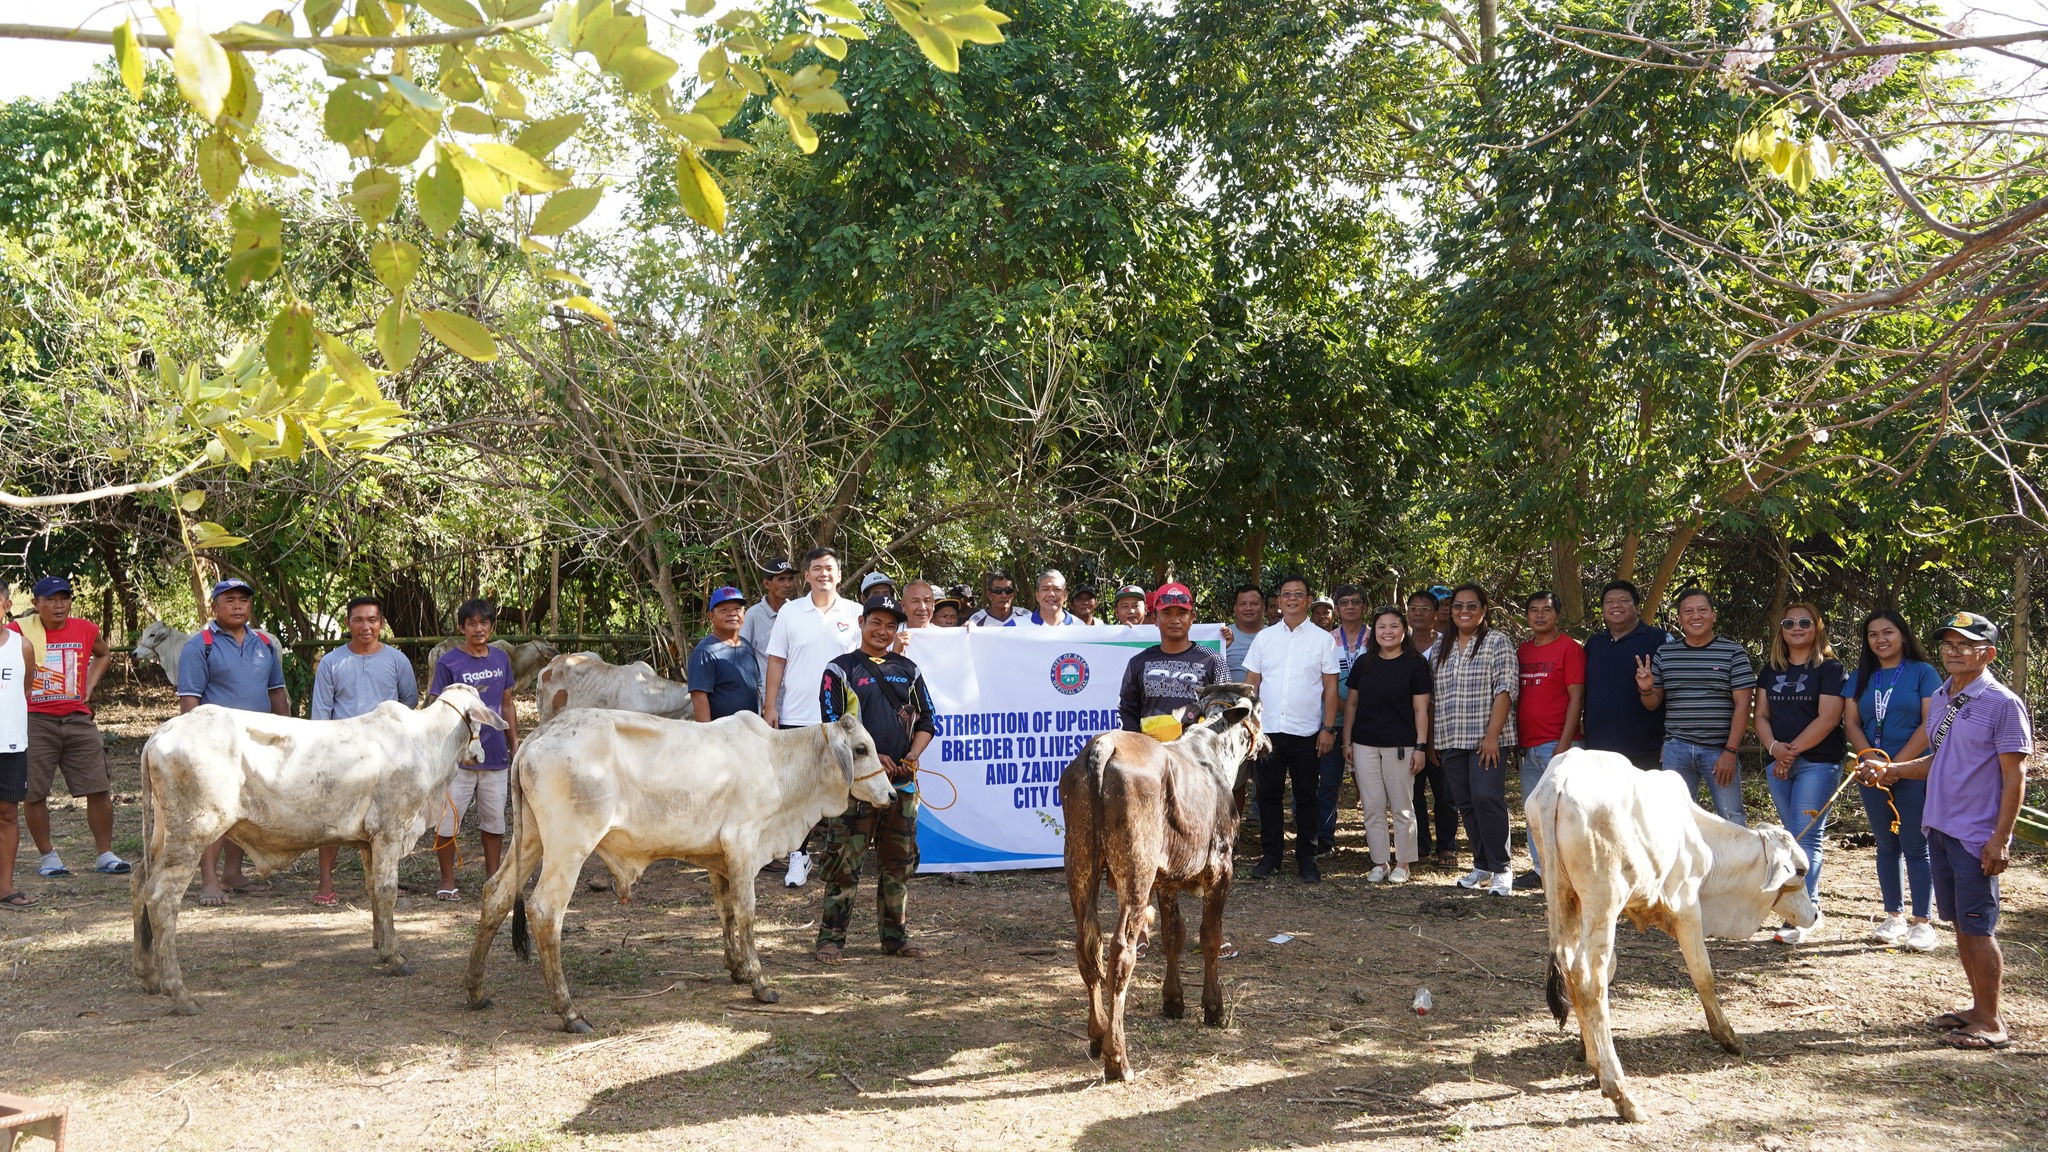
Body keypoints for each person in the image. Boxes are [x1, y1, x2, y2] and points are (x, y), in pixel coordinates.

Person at [1857, 611, 2032, 1052]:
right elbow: (1940, 759)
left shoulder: (2002, 703)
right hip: (1940, 826)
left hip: (1976, 834)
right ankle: (1977, 1008)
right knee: (1960, 924)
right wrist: (1892, 770)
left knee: (1978, 925)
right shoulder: (1941, 696)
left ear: (1988, 653)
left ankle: (1992, 1022)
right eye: (1948, 644)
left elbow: (2015, 777)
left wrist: (2001, 838)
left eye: (1965, 644)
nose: (1954, 651)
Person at [815, 594, 936, 963]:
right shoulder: (838, 670)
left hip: (901, 784)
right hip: (855, 786)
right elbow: (835, 727)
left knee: (898, 864)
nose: (883, 631)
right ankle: (831, 939)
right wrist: (874, 760)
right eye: (876, 623)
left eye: (890, 625)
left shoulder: (910, 670)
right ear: (861, 623)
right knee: (844, 863)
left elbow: (929, 720)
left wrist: (912, 755)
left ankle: (896, 937)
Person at [175, 578, 290, 906]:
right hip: (216, 744)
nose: (238, 605)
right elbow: (189, 701)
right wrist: (194, 744)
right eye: (229, 600)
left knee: (245, 810)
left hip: (257, 741)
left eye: (243, 600)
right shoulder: (201, 645)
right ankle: (209, 880)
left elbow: (276, 692)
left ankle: (233, 874)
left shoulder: (265, 644)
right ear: (214, 606)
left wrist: (285, 734)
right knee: (214, 812)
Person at [9, 576, 127, 880]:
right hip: (33, 719)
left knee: (98, 787)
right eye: (50, 599)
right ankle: (49, 857)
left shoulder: (86, 629)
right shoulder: (19, 630)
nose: (59, 605)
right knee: (34, 792)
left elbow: (103, 653)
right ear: (35, 604)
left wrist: (90, 684)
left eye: (64, 598)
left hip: (77, 718)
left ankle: (105, 854)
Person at [1843, 609, 1943, 951]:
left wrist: (1895, 767)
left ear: (1902, 635)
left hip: (1913, 770)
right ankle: (1894, 916)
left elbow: (1928, 724)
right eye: (1873, 634)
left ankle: (1923, 922)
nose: (1880, 639)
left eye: (1887, 632)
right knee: (1886, 845)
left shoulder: (1923, 672)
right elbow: (1852, 723)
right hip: (1872, 772)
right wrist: (1871, 762)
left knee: (1916, 845)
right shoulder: (1860, 675)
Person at [308, 595, 418, 906]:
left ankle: (384, 878)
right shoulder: (332, 662)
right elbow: (321, 714)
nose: (365, 626)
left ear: (381, 624)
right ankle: (326, 881)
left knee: (387, 819)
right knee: (331, 818)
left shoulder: (398, 661)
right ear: (348, 624)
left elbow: (408, 705)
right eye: (358, 620)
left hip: (389, 756)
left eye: (372, 620)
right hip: (342, 753)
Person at [1751, 600, 1846, 944]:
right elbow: (1760, 715)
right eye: (1789, 623)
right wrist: (1776, 749)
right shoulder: (1770, 670)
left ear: (1817, 627)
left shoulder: (1831, 670)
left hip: (1818, 762)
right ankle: (1801, 906)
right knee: (1791, 835)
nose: (1796, 629)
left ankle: (1807, 913)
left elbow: (1829, 718)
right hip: (1778, 762)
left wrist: (1790, 752)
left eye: (1804, 623)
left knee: (1806, 835)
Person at [1242, 574, 1339, 883]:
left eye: (1299, 594)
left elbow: (1331, 690)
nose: (1293, 598)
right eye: (1287, 594)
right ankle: (1271, 856)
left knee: (1307, 797)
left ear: (1308, 601)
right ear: (1280, 601)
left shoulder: (1323, 640)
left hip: (1308, 733)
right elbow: (1251, 683)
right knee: (1268, 797)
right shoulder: (1264, 638)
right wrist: (1248, 724)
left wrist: (1328, 729)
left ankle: (1306, 859)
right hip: (1267, 733)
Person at [429, 598, 522, 900]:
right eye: (472, 624)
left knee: (494, 821)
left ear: (491, 627)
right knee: (447, 822)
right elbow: (437, 709)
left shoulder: (501, 660)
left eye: (484, 623)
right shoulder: (449, 663)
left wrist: (514, 744)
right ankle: (446, 880)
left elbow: (507, 704)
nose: (478, 629)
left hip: (495, 755)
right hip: (458, 758)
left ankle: (493, 880)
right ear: (462, 628)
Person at [1431, 583, 1520, 895]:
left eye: (1471, 606)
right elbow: (1435, 698)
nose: (1464, 612)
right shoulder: (1443, 646)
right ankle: (1481, 864)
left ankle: (1502, 868)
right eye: (1458, 606)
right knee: (1466, 804)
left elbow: (1505, 689)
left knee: (1487, 799)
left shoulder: (1497, 641)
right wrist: (1432, 742)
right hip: (1450, 738)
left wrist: (1492, 736)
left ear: (1483, 611)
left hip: (1486, 741)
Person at [1638, 588, 1754, 825]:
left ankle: (1735, 864)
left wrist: (1731, 751)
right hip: (1676, 749)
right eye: (1688, 612)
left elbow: (1743, 705)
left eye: (1702, 610)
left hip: (1719, 750)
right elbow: (1652, 704)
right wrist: (1646, 688)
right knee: (1676, 821)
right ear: (1679, 618)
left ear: (1713, 615)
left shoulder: (1733, 652)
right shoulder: (1666, 653)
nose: (1695, 616)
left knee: (1732, 819)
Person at [1342, 606, 1432, 884]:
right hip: (1364, 744)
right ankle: (1380, 862)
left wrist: (1420, 746)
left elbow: (1421, 710)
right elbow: (1352, 705)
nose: (1387, 632)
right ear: (1374, 631)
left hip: (1402, 746)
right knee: (1372, 806)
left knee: (1403, 806)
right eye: (1382, 626)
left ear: (1403, 631)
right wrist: (1347, 742)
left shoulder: (1415, 665)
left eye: (1394, 626)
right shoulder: (1363, 663)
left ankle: (1404, 863)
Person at [1515, 590, 1584, 889]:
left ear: (1557, 615)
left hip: (1558, 745)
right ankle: (1542, 871)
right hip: (1527, 747)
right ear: (1527, 615)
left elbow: (1577, 697)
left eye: (1546, 609)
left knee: (1566, 814)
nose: (1540, 615)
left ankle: (1572, 874)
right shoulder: (1522, 652)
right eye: (1534, 610)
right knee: (1534, 812)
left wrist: (1564, 743)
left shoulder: (1570, 649)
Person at [761, 547, 863, 729]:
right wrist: (770, 707)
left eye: (829, 569)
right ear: (807, 576)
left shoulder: (856, 612)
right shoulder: (789, 611)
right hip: (795, 717)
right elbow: (776, 661)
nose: (823, 573)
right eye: (817, 568)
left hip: (843, 719)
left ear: (839, 575)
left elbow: (866, 665)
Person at [1117, 583, 1227, 740]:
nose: (1175, 620)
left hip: (1197, 756)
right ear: (1154, 618)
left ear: (1192, 618)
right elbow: (1128, 710)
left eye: (1182, 613)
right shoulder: (1138, 662)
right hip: (1152, 756)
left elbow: (1223, 709)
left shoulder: (1213, 660)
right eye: (1167, 613)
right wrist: (1138, 746)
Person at [1581, 580, 1668, 770]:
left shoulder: (1659, 640)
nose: (1615, 605)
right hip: (1598, 753)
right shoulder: (1594, 644)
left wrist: (1670, 739)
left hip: (1646, 751)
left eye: (1623, 600)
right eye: (1609, 601)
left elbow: (1677, 693)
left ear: (1637, 608)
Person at [1317, 585, 1371, 853]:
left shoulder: (1378, 637)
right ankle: (1325, 839)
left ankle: (1376, 842)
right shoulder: (1325, 640)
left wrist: (1358, 711)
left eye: (1355, 601)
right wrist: (1344, 707)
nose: (1350, 606)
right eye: (1344, 602)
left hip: (1371, 723)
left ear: (1364, 607)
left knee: (1373, 785)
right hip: (1333, 721)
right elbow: (1320, 682)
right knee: (1328, 782)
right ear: (1337, 609)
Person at [1406, 587, 1457, 866]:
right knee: (1412, 792)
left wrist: (1434, 737)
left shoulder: (1447, 644)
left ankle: (1447, 847)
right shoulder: (1400, 643)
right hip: (1405, 731)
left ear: (1437, 613)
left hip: (1443, 729)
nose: (1419, 614)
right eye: (1414, 608)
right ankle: (1419, 844)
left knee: (1444, 792)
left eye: (1426, 609)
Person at [0, 584, 37, 909]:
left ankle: (4, 886)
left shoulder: (21, 646)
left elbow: (23, 692)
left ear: (6, 604)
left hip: (9, 744)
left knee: (7, 814)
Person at [689, 586, 760, 722]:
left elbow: (756, 688)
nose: (732, 614)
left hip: (750, 733)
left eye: (737, 609)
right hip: (722, 736)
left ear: (744, 614)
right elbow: (699, 698)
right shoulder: (704, 653)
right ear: (711, 615)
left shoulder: (747, 646)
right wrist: (708, 737)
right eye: (724, 610)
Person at [739, 558, 797, 662]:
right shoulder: (753, 615)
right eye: (781, 579)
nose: (788, 584)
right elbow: (742, 653)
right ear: (766, 583)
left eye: (790, 579)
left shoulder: (796, 612)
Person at [1224, 583, 1264, 680]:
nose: (1248, 608)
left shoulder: (1273, 636)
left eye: (1254, 604)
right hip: (1229, 694)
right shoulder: (1224, 635)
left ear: (1263, 607)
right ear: (1235, 608)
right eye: (1242, 604)